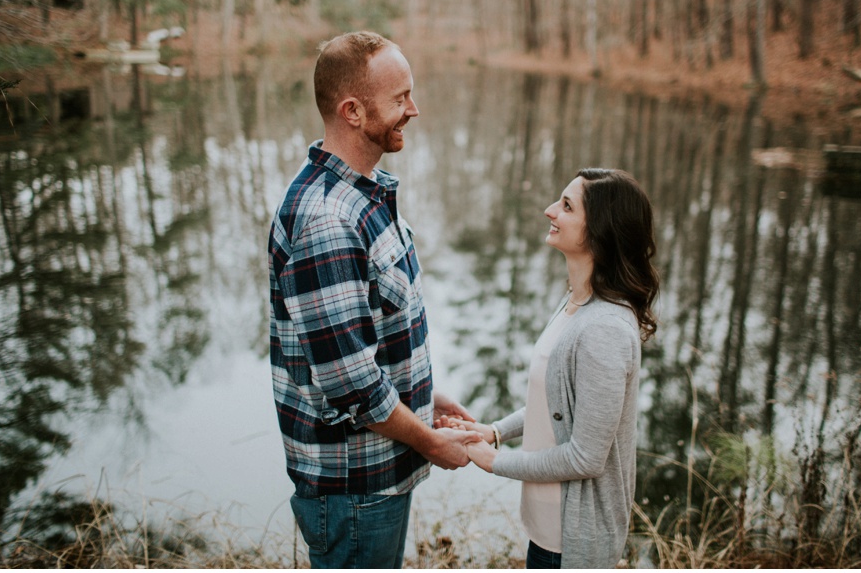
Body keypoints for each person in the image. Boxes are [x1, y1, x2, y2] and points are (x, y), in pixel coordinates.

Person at [268, 31, 479, 569]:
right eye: (400, 98)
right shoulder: (327, 223)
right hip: (353, 488)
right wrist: (430, 440)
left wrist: (430, 398)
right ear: (353, 111)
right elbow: (354, 386)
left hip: (376, 473)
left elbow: (375, 339)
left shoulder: (366, 192)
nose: (414, 108)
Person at [440, 168, 659, 569]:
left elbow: (585, 458)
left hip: (573, 540)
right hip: (545, 526)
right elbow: (557, 402)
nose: (549, 210)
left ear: (600, 231)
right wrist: (493, 432)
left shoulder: (604, 327)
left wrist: (492, 461)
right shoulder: (577, 303)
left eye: (567, 206)